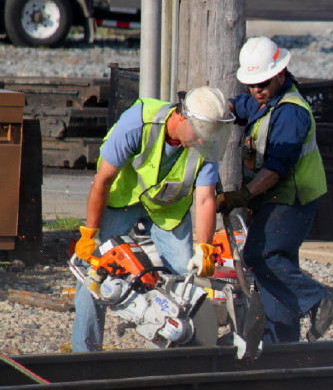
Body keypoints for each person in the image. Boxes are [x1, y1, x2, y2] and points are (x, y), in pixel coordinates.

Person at [72, 86, 234, 352]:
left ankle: (174, 353)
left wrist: (203, 248)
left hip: (167, 209)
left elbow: (205, 199)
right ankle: (84, 353)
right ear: (182, 118)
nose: (204, 141)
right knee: (94, 272)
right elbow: (102, 180)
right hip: (123, 199)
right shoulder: (138, 123)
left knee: (185, 278)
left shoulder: (206, 143)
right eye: (201, 134)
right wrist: (91, 234)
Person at [219, 36, 333, 344]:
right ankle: (283, 344)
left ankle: (319, 299)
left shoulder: (291, 112)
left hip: (291, 200)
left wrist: (242, 196)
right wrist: (216, 107)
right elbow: (238, 106)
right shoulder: (263, 101)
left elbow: (276, 170)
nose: (256, 91)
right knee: (277, 267)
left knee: (261, 256)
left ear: (280, 75)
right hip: (275, 199)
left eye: (262, 84)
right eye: (252, 84)